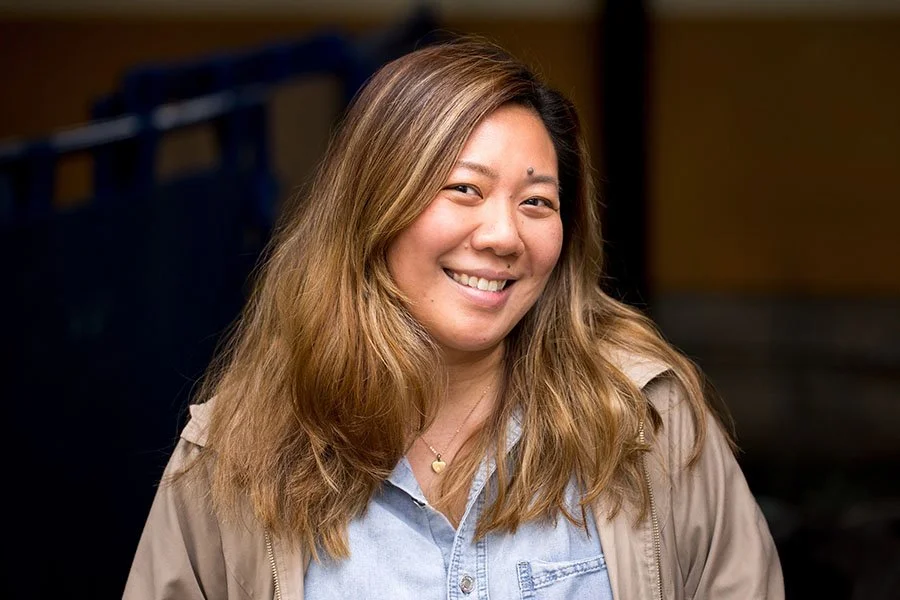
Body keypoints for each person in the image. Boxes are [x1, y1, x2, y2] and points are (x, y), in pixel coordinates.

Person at [124, 38, 783, 600]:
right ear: (377, 206)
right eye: (464, 189)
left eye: (537, 201)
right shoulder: (238, 454)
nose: (503, 235)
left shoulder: (644, 423)